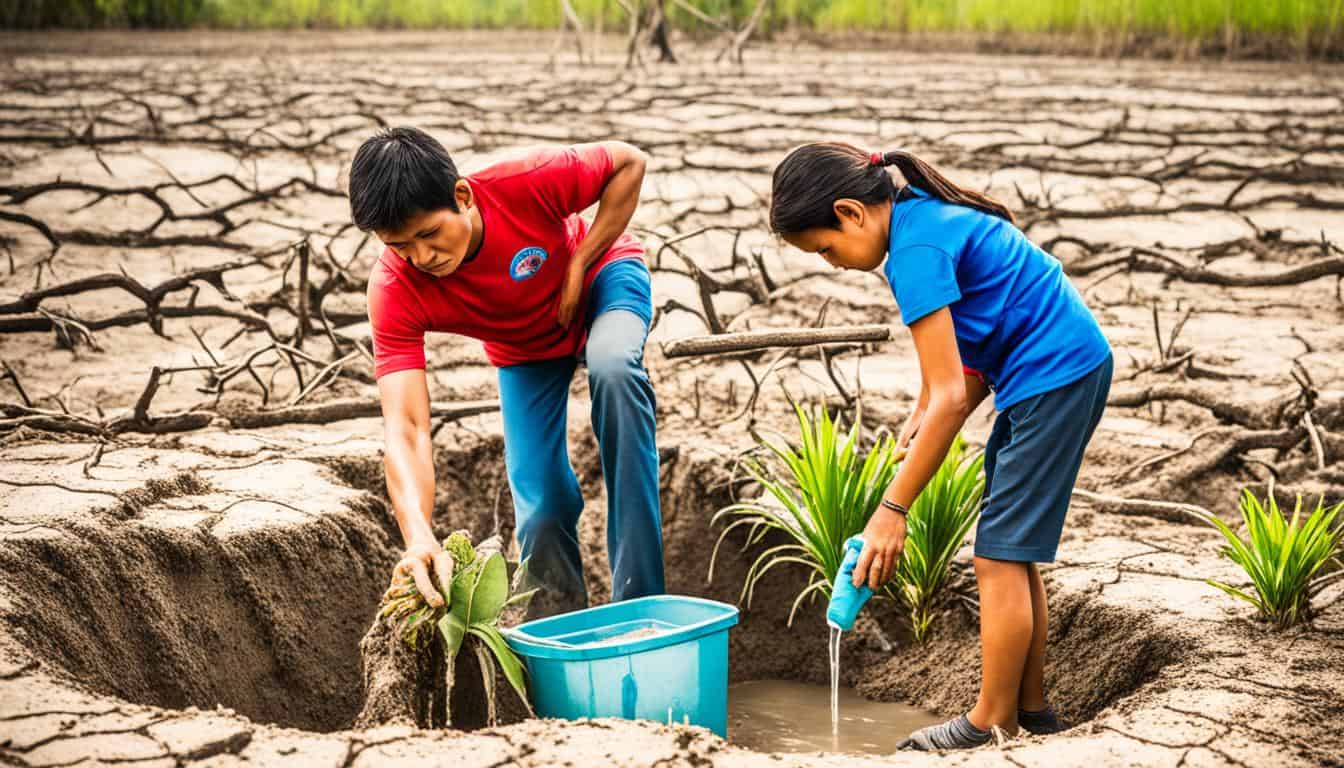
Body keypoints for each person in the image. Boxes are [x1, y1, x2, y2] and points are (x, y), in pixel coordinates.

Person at [769, 142, 1112, 751]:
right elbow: (966, 365)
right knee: (1012, 550)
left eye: (825, 249)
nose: (832, 263)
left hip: (1053, 375)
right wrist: (923, 410)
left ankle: (990, 722)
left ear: (851, 212)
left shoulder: (915, 253)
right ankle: (1030, 711)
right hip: (1055, 369)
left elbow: (952, 395)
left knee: (995, 558)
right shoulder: (921, 216)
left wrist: (891, 511)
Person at [349, 127, 664, 618]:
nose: (422, 257)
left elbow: (629, 162)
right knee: (539, 509)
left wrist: (580, 261)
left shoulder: (524, 180)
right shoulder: (394, 287)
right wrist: (417, 536)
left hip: (603, 284)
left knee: (613, 367)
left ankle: (643, 608)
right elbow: (407, 428)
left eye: (430, 233)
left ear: (462, 197)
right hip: (525, 347)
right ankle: (563, 631)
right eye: (400, 244)